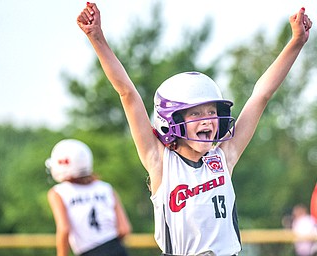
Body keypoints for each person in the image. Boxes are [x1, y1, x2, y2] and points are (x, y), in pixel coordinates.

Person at [77, 3, 312, 255]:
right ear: (172, 120)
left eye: (212, 112)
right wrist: (96, 37)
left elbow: (261, 95)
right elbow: (127, 93)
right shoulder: (161, 163)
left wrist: (296, 41)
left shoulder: (223, 157)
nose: (208, 120)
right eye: (196, 113)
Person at [46, 139, 132, 256]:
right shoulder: (106, 188)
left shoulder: (58, 192)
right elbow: (124, 229)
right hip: (117, 248)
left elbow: (64, 229)